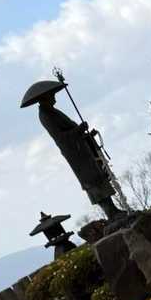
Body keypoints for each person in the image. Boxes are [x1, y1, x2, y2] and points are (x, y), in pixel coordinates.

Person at [21, 80, 125, 220]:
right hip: (76, 154)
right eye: (52, 95)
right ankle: (111, 213)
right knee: (93, 181)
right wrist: (79, 130)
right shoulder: (45, 115)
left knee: (99, 178)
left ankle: (113, 210)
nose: (54, 98)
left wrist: (86, 135)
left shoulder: (51, 111)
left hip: (81, 148)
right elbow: (61, 138)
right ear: (45, 97)